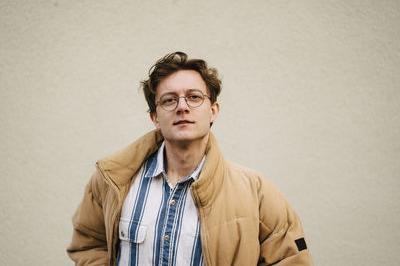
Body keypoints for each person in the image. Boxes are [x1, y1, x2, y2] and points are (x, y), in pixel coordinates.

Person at [67, 52, 313, 266]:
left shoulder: (256, 192)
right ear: (154, 117)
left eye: (194, 97)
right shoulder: (112, 182)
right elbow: (88, 245)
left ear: (213, 111)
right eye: (169, 100)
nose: (182, 107)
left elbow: (290, 260)